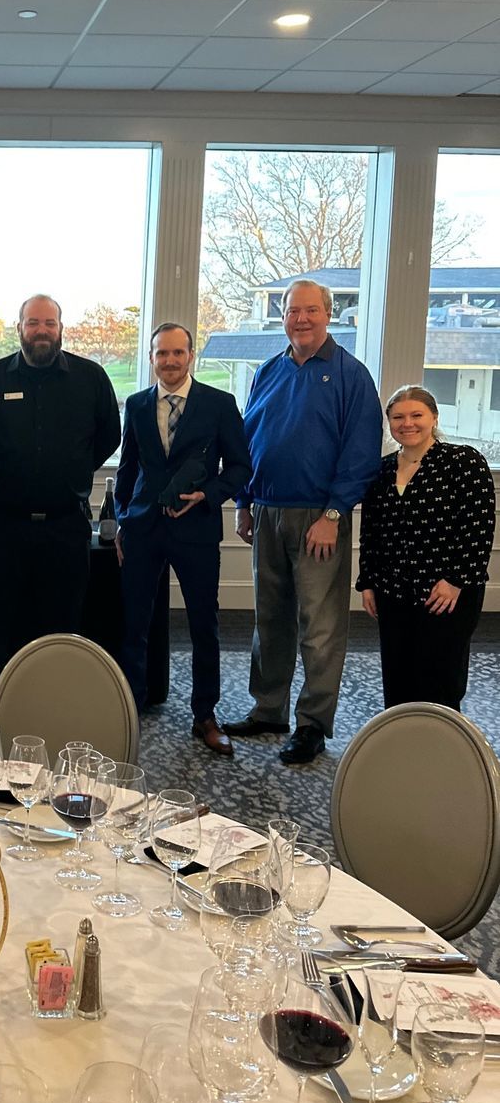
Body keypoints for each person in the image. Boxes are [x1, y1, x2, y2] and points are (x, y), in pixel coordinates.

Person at [226, 279, 383, 765]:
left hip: (321, 518)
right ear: (284, 317)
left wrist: (333, 514)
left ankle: (313, 724)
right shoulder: (267, 371)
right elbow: (249, 441)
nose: (301, 319)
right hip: (267, 512)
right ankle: (267, 709)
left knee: (320, 625)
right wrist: (245, 502)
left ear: (328, 315)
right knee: (269, 620)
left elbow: (360, 455)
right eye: (294, 311)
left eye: (311, 310)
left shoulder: (350, 375)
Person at [0, 293, 121, 695]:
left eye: (49, 323)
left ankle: (52, 706)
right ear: (19, 328)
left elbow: (110, 436)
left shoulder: (90, 378)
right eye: (33, 323)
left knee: (61, 627)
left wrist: (69, 468)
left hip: (65, 527)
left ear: (60, 329)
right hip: (3, 528)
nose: (41, 330)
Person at [114, 322, 252, 756]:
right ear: (152, 358)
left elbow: (241, 468)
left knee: (203, 626)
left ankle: (204, 716)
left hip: (195, 531)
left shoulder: (219, 404)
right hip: (142, 529)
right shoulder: (136, 405)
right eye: (161, 354)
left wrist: (207, 495)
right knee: (133, 624)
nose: (170, 361)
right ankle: (129, 706)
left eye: (178, 353)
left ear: (190, 356)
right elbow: (128, 469)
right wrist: (121, 519)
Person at [357, 384, 494, 712]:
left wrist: (455, 580)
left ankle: (442, 750)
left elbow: (478, 528)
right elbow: (372, 532)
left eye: (416, 415)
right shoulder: (383, 469)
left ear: (434, 417)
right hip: (393, 590)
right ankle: (403, 746)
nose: (408, 423)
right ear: (389, 423)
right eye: (398, 417)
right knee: (398, 675)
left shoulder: (463, 462)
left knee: (440, 677)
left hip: (446, 593)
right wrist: (368, 583)